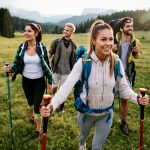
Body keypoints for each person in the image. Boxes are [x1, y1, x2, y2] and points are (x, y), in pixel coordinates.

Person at [40, 20, 149, 150]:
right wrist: (52, 106)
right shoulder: (83, 62)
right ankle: (82, 145)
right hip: (86, 114)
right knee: (82, 138)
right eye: (103, 39)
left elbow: (124, 88)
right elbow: (65, 88)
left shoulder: (116, 61)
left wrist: (137, 98)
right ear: (93, 40)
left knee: (97, 147)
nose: (108, 43)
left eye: (110, 39)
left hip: (106, 114)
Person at [3, 23, 52, 139]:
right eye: (25, 31)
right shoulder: (21, 47)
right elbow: (16, 63)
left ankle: (37, 129)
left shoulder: (42, 47)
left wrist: (50, 81)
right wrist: (10, 69)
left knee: (37, 106)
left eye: (29, 31)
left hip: (39, 81)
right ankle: (32, 117)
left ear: (36, 33)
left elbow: (48, 65)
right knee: (30, 102)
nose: (26, 33)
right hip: (26, 81)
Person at [112, 17, 142, 135]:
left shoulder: (135, 41)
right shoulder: (114, 39)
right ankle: (109, 119)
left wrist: (136, 53)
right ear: (121, 28)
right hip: (113, 73)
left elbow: (136, 57)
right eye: (128, 26)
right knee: (110, 98)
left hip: (127, 74)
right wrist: (112, 50)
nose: (131, 28)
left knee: (124, 99)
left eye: (131, 26)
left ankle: (123, 122)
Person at [48, 23, 77, 112]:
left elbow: (74, 59)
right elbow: (50, 53)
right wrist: (44, 61)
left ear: (72, 32)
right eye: (64, 29)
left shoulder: (74, 45)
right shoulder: (56, 42)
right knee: (54, 88)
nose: (65, 31)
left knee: (64, 90)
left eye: (67, 30)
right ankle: (55, 101)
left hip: (67, 71)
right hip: (56, 69)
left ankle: (61, 106)